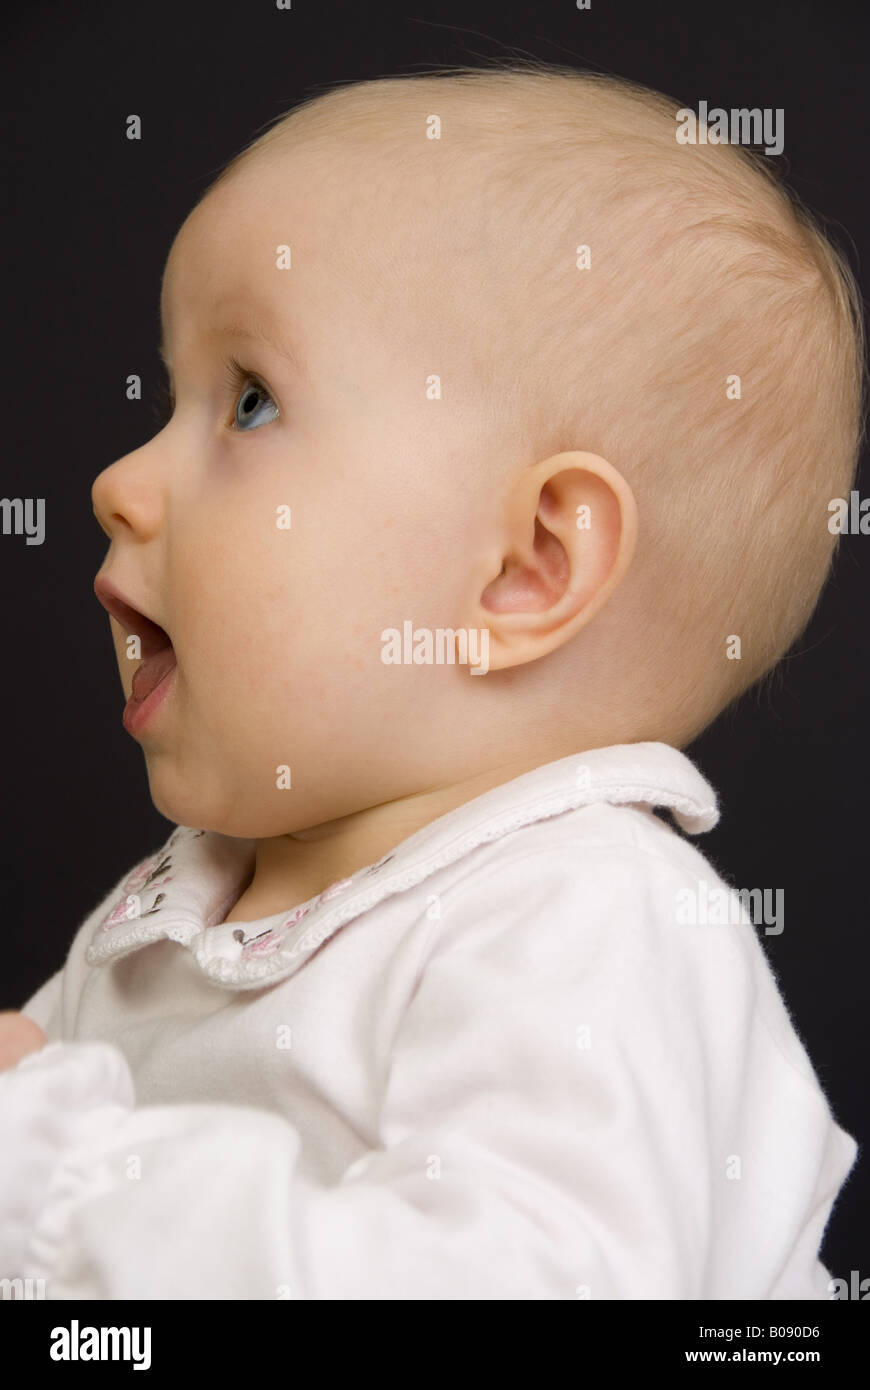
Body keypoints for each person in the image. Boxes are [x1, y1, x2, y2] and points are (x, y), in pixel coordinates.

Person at [1, 60, 862, 1299]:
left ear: (526, 567)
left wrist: (59, 1184)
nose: (119, 482)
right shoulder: (159, 925)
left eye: (247, 402)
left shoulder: (581, 919)